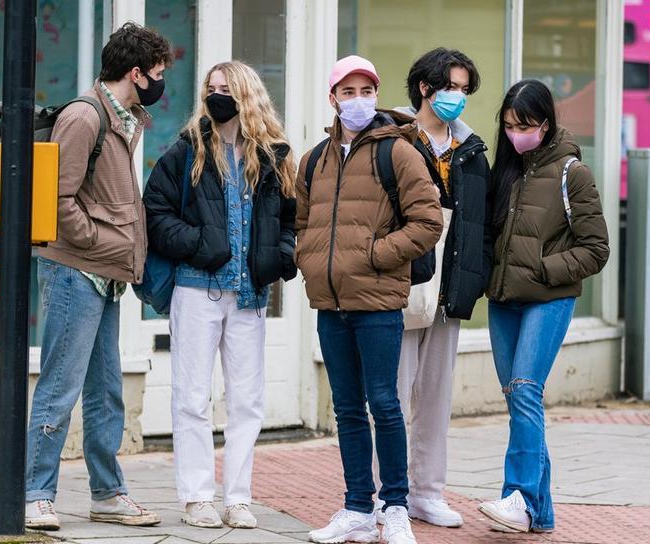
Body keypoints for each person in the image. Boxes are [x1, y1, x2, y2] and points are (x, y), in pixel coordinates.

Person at [24, 22, 173, 531]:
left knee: (106, 389)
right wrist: (95, 241)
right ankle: (35, 494)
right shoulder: (85, 117)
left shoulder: (124, 118)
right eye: (156, 73)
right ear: (135, 73)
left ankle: (107, 493)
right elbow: (58, 199)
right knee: (60, 386)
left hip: (104, 273)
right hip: (75, 271)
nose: (159, 82)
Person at [142, 61, 298, 530]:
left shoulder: (273, 155)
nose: (216, 96)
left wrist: (280, 255)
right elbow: (155, 211)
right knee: (191, 397)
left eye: (225, 89)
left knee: (247, 401)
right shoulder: (187, 150)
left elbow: (292, 218)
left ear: (246, 94)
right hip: (197, 288)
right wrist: (198, 244)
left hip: (251, 294)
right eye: (211, 88)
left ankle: (238, 499)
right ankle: (196, 497)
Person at [296, 55, 443, 544]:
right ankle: (358, 508)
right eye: (348, 92)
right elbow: (302, 223)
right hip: (330, 304)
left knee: (384, 404)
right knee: (346, 409)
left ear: (376, 95)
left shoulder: (397, 152)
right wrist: (309, 259)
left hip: (378, 303)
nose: (358, 100)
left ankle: (395, 508)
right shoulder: (313, 160)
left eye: (367, 91)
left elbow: (428, 222)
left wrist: (377, 254)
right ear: (332, 98)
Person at [476, 79, 609, 534]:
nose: (516, 134)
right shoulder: (505, 171)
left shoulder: (573, 173)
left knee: (525, 389)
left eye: (525, 125)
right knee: (518, 398)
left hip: (548, 299)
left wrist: (544, 270)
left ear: (546, 124)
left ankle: (518, 497)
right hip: (504, 301)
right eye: (509, 126)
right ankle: (541, 510)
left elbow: (596, 248)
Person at [368, 48, 490, 529]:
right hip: (402, 281)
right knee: (392, 396)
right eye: (451, 87)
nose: (457, 97)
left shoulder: (471, 150)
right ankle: (385, 494)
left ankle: (427, 493)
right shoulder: (393, 138)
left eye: (463, 89)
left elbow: (480, 224)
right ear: (425, 87)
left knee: (436, 399)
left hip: (449, 288)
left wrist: (473, 278)